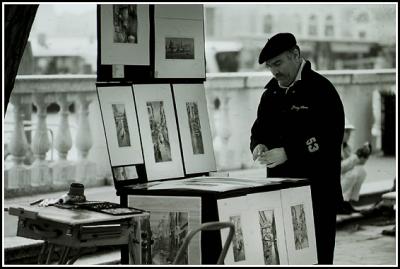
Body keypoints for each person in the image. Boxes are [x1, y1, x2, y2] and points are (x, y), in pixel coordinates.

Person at [250, 33, 345, 264]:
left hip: (317, 192)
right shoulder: (270, 94)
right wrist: (257, 145)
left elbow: (329, 138)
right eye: (270, 66)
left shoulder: (322, 90)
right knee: (285, 256)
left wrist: (288, 152)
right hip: (279, 190)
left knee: (317, 257)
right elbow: (258, 131)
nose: (274, 71)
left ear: (295, 55)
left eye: (278, 63)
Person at [338, 120, 372, 214]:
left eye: (349, 132)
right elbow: (341, 168)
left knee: (361, 171)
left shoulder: (346, 147)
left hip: (340, 179)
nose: (349, 135)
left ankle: (347, 202)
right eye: (346, 131)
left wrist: (364, 155)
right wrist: (357, 155)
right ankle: (340, 203)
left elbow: (354, 164)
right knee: (352, 174)